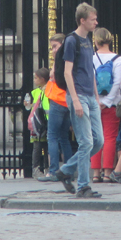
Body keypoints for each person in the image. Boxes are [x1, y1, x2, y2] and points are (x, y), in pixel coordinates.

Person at [54, 3, 104, 199]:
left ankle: (65, 170)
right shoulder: (71, 41)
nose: (96, 22)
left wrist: (97, 95)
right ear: (82, 20)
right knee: (86, 142)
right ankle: (83, 186)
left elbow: (89, 70)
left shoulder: (88, 41)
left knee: (98, 141)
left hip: (90, 96)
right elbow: (68, 72)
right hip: (78, 96)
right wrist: (75, 100)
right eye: (93, 19)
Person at [90, 27, 121, 183]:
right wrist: (108, 101)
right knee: (110, 137)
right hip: (112, 104)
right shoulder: (118, 59)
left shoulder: (91, 58)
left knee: (96, 137)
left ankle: (95, 173)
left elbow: (89, 81)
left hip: (94, 103)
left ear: (95, 40)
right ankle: (107, 173)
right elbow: (117, 83)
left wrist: (97, 100)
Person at [40, 34, 73, 182]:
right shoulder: (70, 57)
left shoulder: (61, 58)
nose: (53, 50)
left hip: (58, 99)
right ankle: (68, 169)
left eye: (55, 46)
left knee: (52, 136)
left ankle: (53, 171)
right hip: (66, 101)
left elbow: (52, 75)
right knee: (64, 137)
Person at [27, 67, 51, 179]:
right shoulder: (35, 92)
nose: (34, 80)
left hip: (48, 121)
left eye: (36, 78)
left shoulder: (49, 90)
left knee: (47, 146)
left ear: (42, 79)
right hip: (37, 123)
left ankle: (47, 167)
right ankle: (36, 168)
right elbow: (28, 104)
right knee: (37, 146)